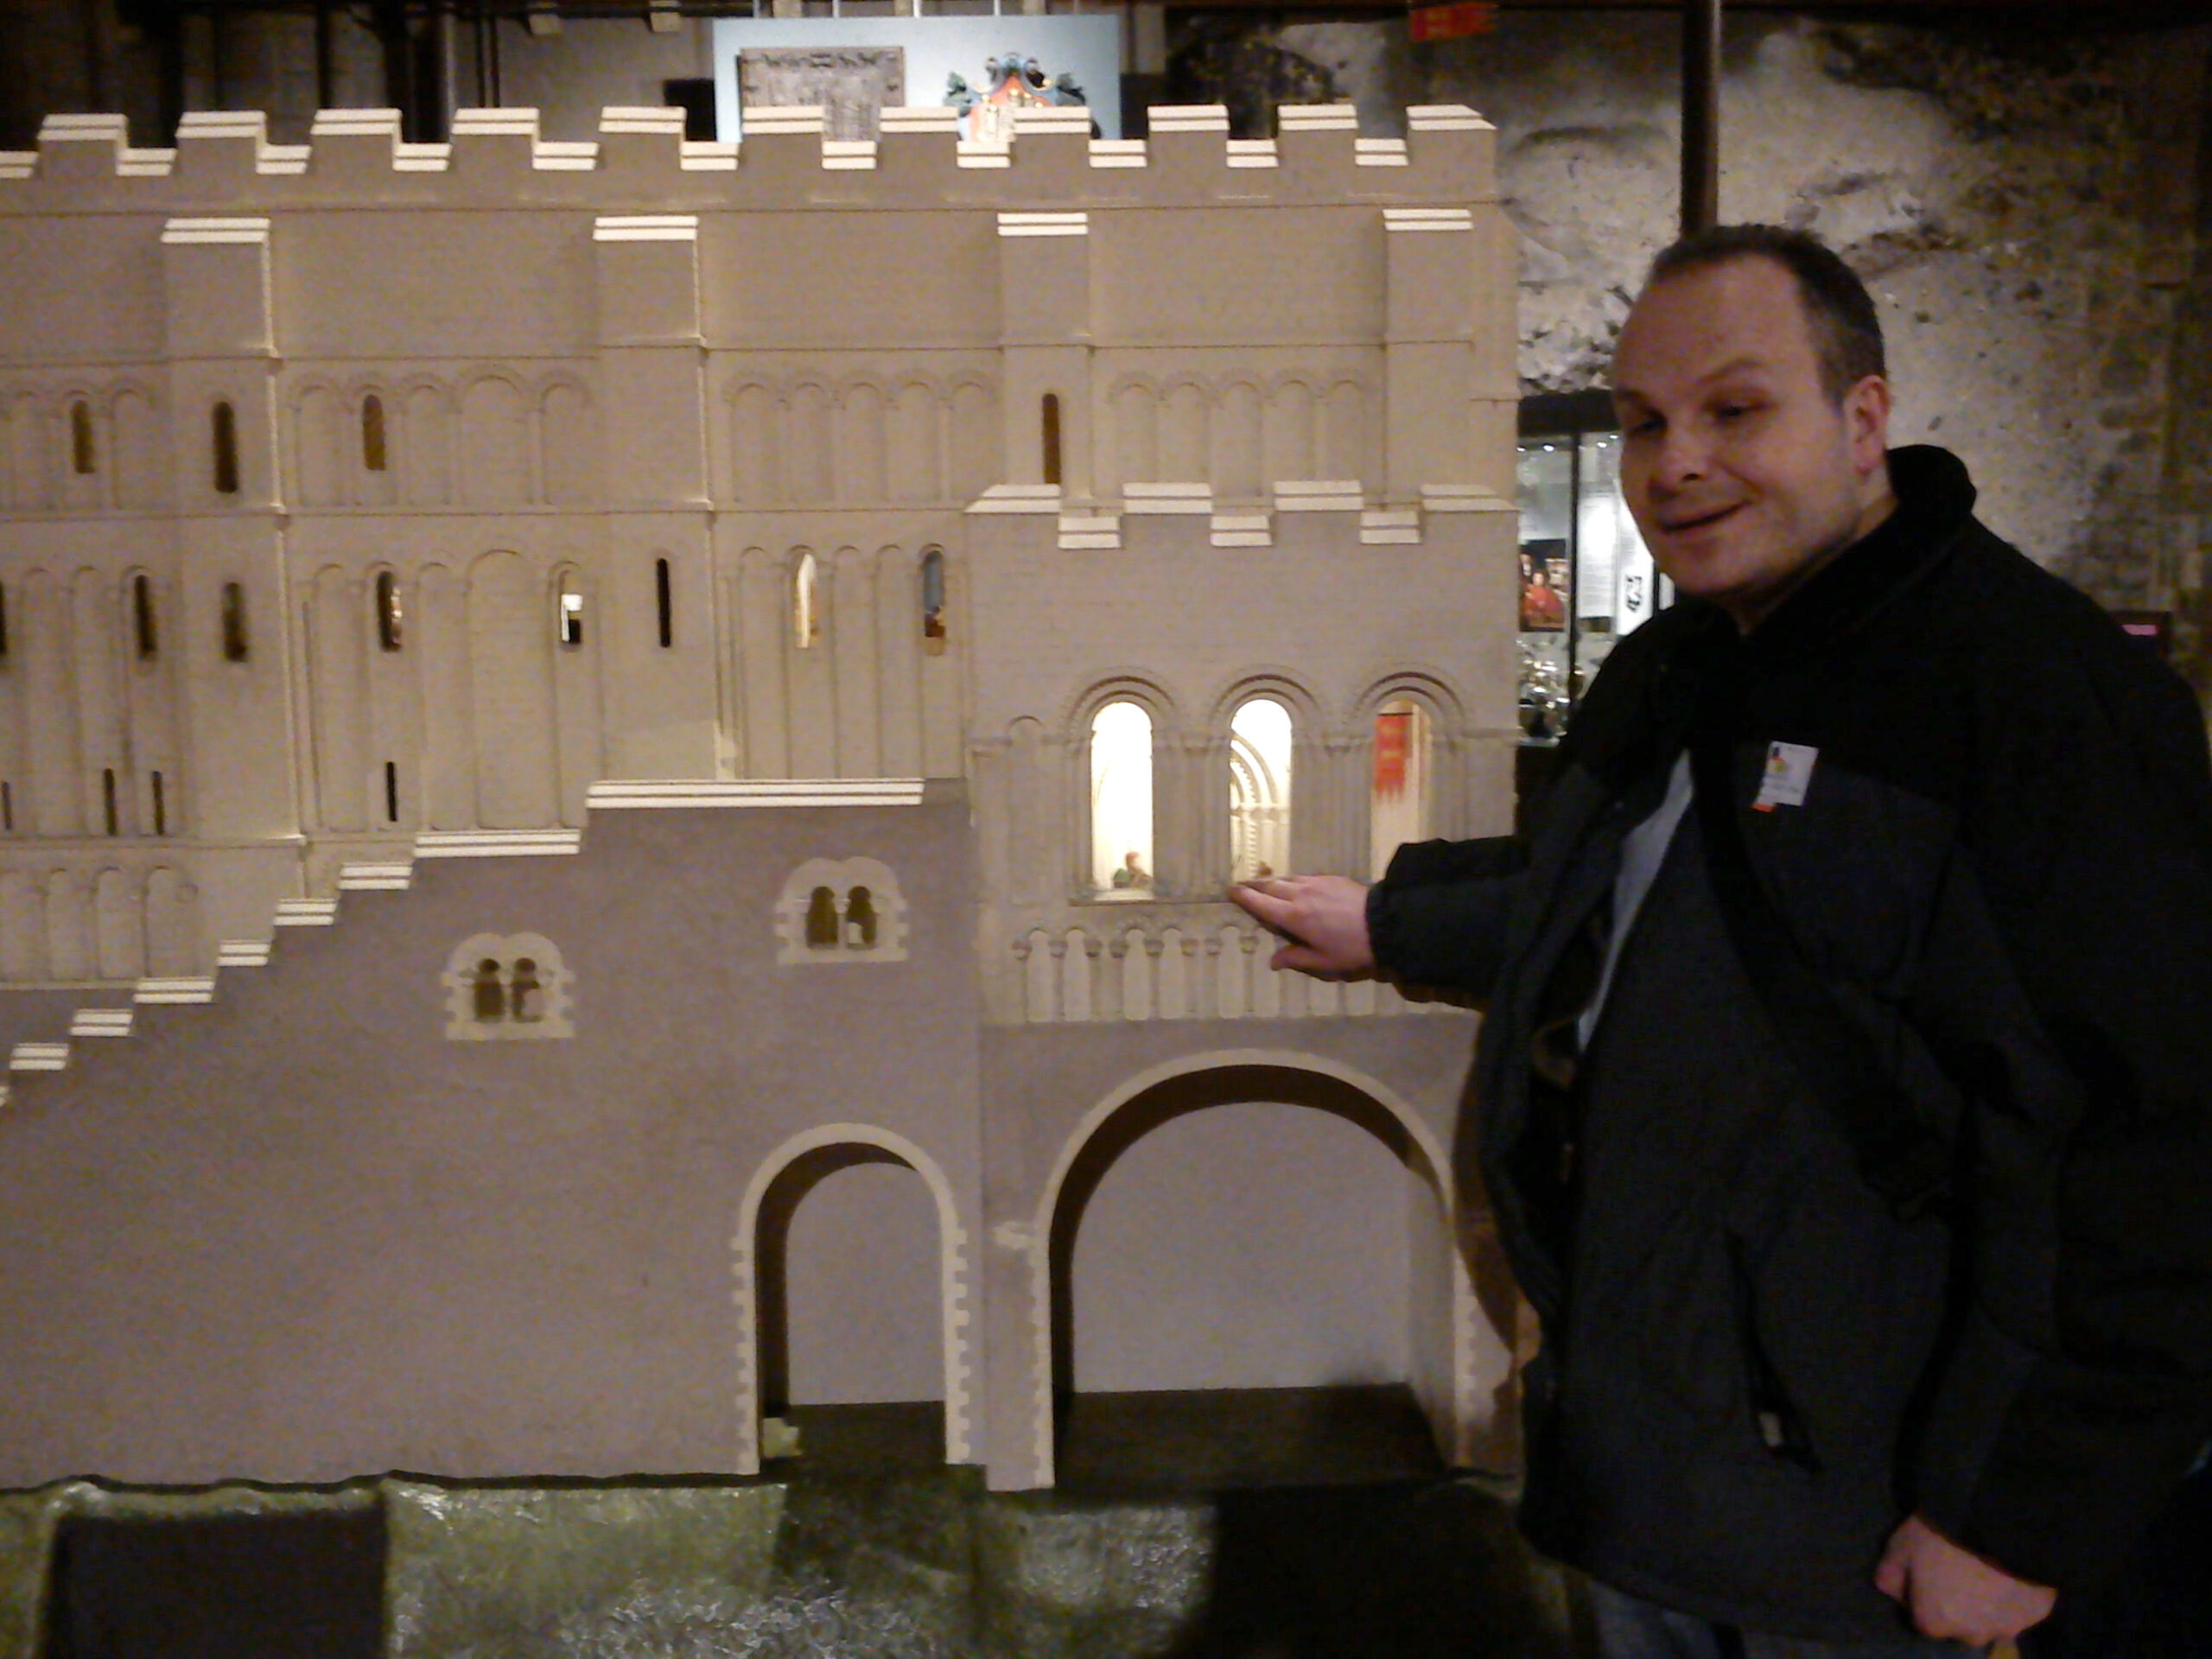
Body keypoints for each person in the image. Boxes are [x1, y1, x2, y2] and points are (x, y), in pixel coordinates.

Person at [1234, 225, 2212, 1657]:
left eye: (1734, 410)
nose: (1672, 463)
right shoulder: (1692, 656)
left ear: (1864, 418)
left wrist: (2018, 1512)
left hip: (1868, 1521)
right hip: (1663, 1471)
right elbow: (1615, 887)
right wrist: (1389, 919)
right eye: (1642, 423)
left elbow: (2153, 1129)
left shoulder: (2032, 697)